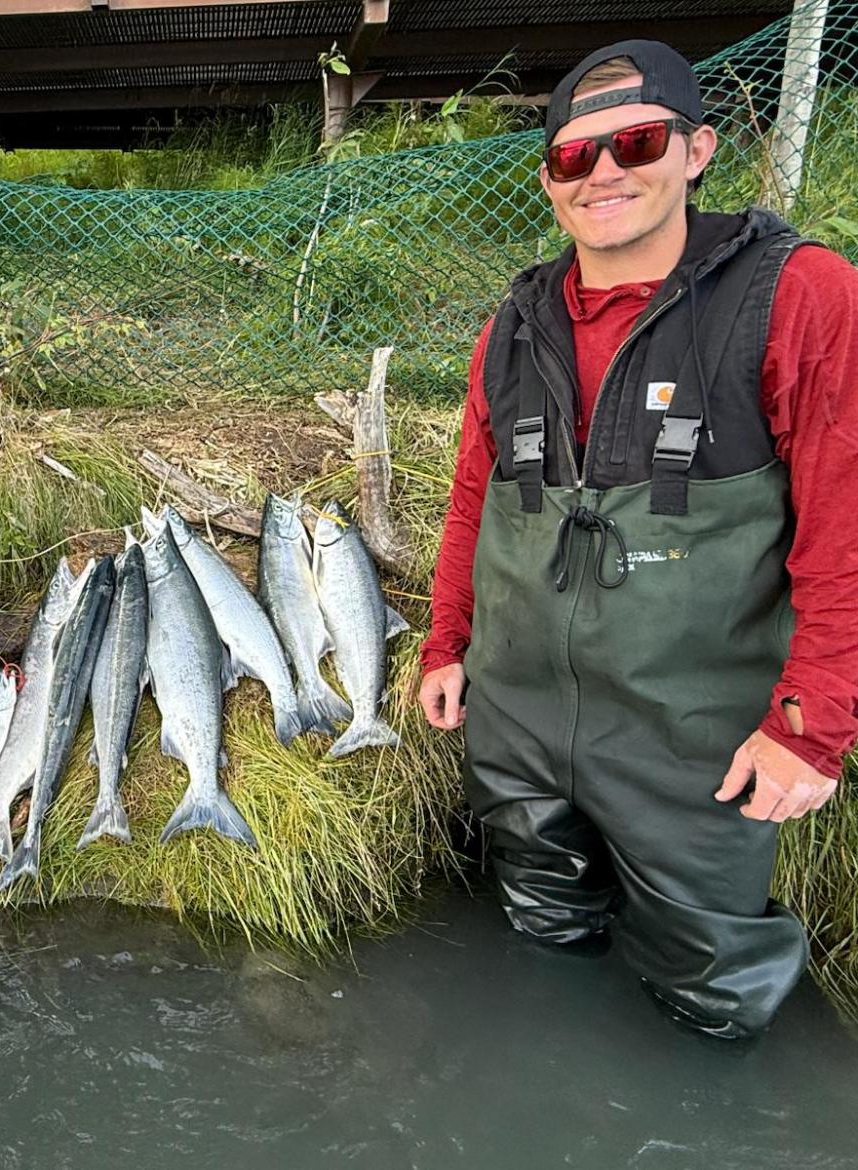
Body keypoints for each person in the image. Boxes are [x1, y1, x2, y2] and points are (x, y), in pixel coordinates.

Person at [416, 41, 858, 1038]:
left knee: (713, 990)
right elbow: (474, 500)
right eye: (576, 158)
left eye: (636, 143)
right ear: (549, 181)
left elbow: (847, 526)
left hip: (692, 747)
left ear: (696, 151)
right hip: (518, 724)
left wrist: (812, 727)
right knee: (541, 934)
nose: (604, 172)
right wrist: (448, 645)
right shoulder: (514, 324)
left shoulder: (800, 296)